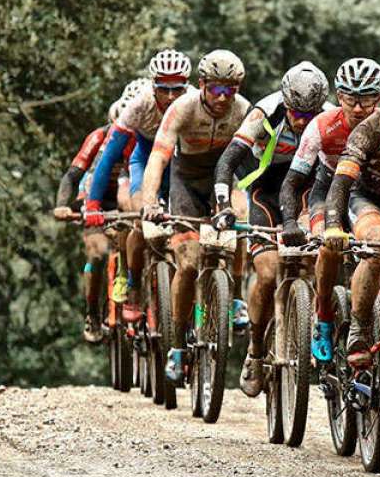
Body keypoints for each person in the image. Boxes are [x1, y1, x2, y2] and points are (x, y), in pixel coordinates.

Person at [212, 61, 332, 396]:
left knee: (319, 257)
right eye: (297, 114)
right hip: (265, 191)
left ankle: (315, 325)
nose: (302, 122)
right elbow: (228, 161)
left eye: (310, 116)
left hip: (308, 192)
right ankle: (255, 349)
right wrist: (223, 203)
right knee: (266, 272)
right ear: (286, 103)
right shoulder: (264, 111)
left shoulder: (331, 115)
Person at [139, 49, 251, 383]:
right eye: (216, 88)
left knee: (242, 219)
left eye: (230, 89)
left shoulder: (244, 111)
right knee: (187, 263)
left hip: (222, 178)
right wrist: (150, 202)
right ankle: (176, 347)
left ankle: (234, 299)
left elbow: (255, 162)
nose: (222, 97)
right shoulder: (181, 108)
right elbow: (158, 158)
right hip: (186, 181)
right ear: (201, 84)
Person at [278, 58, 380, 362]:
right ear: (339, 97)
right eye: (351, 99)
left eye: (367, 99)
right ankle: (323, 316)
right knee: (328, 245)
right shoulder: (322, 126)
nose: (360, 108)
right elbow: (293, 182)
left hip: (367, 194)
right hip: (326, 192)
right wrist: (288, 221)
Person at [320, 59, 380, 369]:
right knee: (376, 247)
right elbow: (342, 180)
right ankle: (360, 329)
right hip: (367, 198)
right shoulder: (369, 128)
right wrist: (334, 225)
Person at [85, 50, 192, 324]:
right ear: (152, 84)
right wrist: (93, 204)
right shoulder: (139, 105)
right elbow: (109, 156)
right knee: (138, 219)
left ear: (188, 85)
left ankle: (201, 303)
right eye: (163, 89)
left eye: (177, 88)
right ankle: (133, 284)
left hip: (181, 164)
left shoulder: (195, 102)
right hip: (144, 163)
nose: (170, 96)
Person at [56, 97, 136, 342]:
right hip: (95, 202)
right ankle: (92, 311)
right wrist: (62, 206)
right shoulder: (98, 138)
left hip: (128, 202)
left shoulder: (145, 142)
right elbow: (71, 176)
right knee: (98, 253)